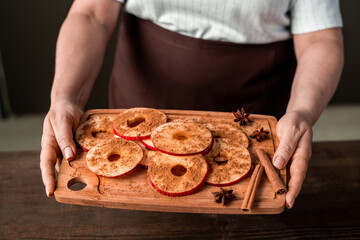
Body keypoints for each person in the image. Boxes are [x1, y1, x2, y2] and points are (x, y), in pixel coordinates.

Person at [40, 0, 344, 209]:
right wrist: (64, 97)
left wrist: (302, 111)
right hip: (136, 118)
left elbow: (320, 38)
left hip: (251, 123)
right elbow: (91, 12)